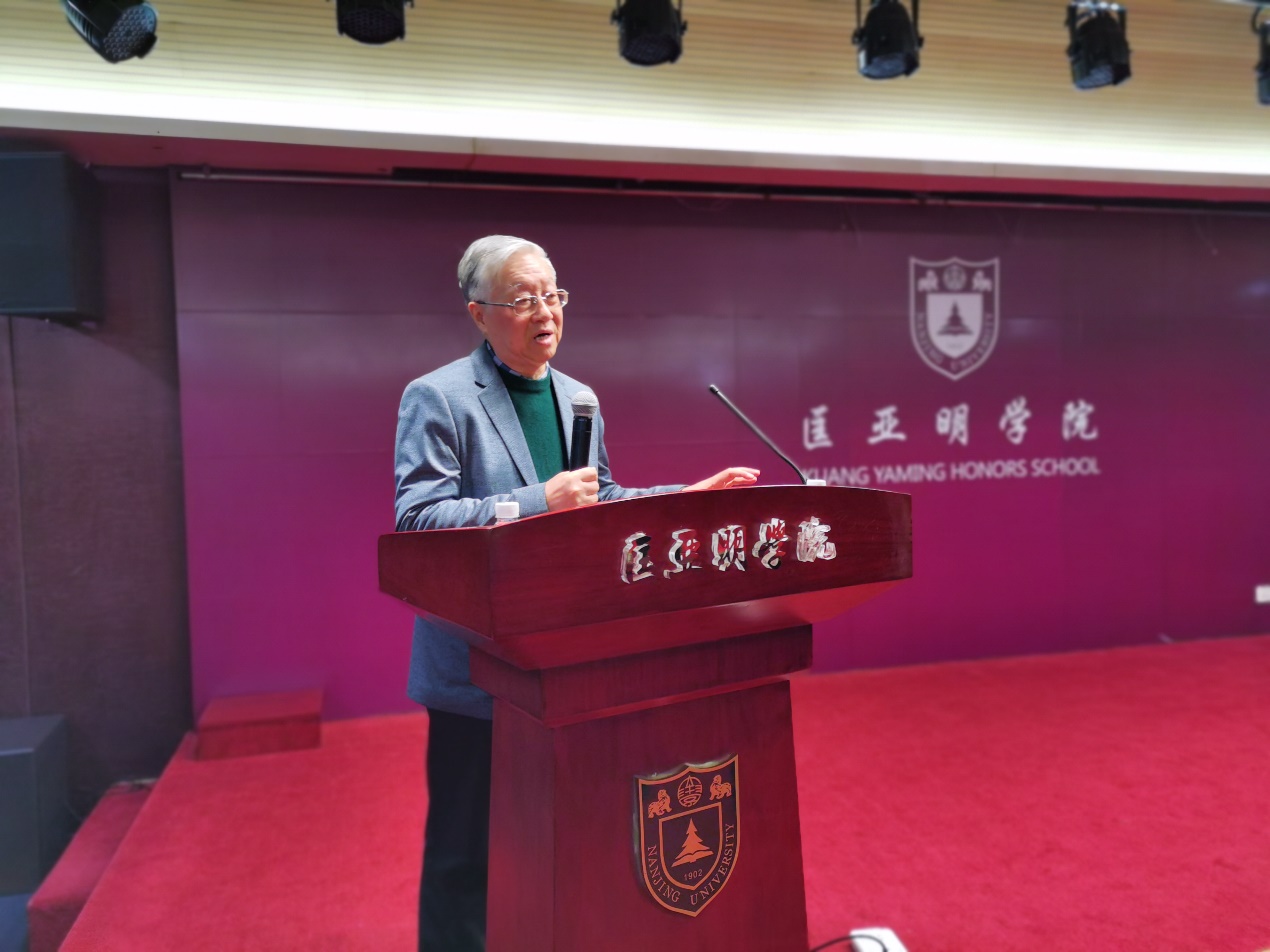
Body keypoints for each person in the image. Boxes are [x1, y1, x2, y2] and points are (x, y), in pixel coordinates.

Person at [393, 235, 758, 951]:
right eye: (523, 298)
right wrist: (537, 501)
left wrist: (683, 500)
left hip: (567, 658)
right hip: (478, 667)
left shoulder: (578, 397)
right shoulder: (437, 396)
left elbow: (601, 500)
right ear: (479, 313)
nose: (545, 312)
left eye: (552, 295)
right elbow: (418, 518)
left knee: (560, 836)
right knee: (465, 855)